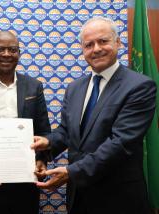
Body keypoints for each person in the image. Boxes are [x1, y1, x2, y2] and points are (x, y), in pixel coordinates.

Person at [31, 16, 157, 214]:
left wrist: (71, 172)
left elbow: (121, 143)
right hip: (78, 197)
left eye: (103, 41)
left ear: (118, 42)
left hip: (118, 198)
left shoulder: (139, 86)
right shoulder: (74, 88)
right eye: (89, 44)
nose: (96, 48)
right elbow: (66, 132)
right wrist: (46, 145)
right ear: (83, 50)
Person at [0, 31, 51, 214]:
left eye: (12, 49)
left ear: (19, 53)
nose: (6, 54)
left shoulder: (34, 86)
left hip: (26, 182)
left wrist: (41, 159)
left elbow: (44, 132)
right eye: (0, 49)